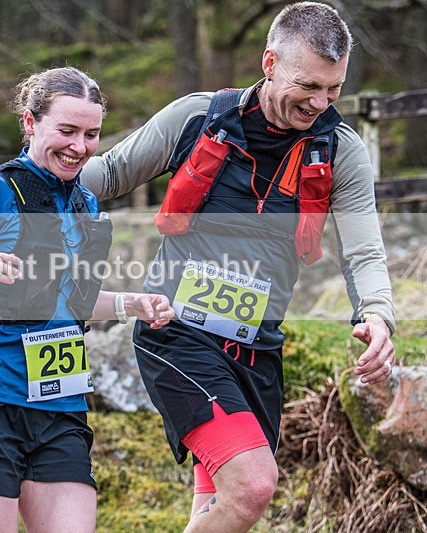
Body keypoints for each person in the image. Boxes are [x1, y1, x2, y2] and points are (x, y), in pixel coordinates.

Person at [79, 3, 396, 532]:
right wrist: (15, 196)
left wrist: (379, 315)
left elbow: (364, 251)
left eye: (334, 90)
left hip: (256, 349)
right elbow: (103, 175)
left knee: (220, 508)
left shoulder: (340, 150)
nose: (320, 103)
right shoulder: (199, 117)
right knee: (253, 485)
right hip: (176, 335)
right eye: (308, 86)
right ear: (269, 62)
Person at [0, 66, 175, 532]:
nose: (80, 146)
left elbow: (71, 304)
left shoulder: (85, 204)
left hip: (59, 406)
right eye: (67, 131)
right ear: (30, 124)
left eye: (92, 134)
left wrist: (135, 303)